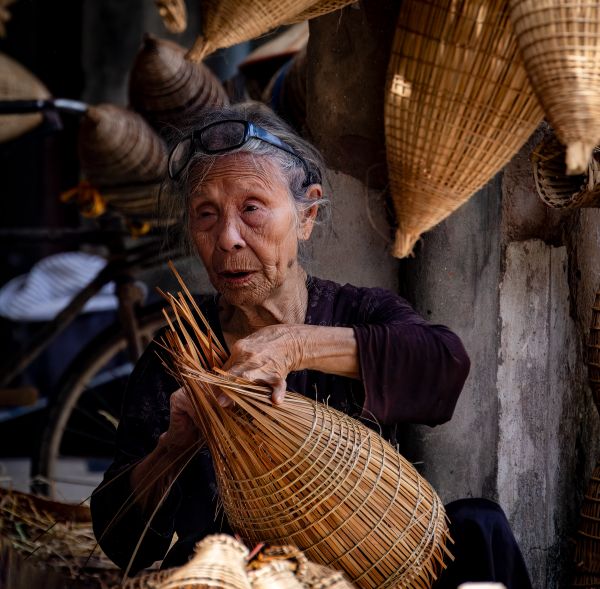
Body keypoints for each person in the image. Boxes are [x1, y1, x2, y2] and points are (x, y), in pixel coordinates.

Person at [90, 102, 531, 588]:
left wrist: (294, 346)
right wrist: (173, 448)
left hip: (373, 567)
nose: (228, 238)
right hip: (249, 577)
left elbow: (443, 366)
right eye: (206, 214)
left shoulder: (358, 313)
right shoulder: (178, 355)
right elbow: (120, 542)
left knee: (478, 528)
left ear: (307, 215)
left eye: (252, 209)